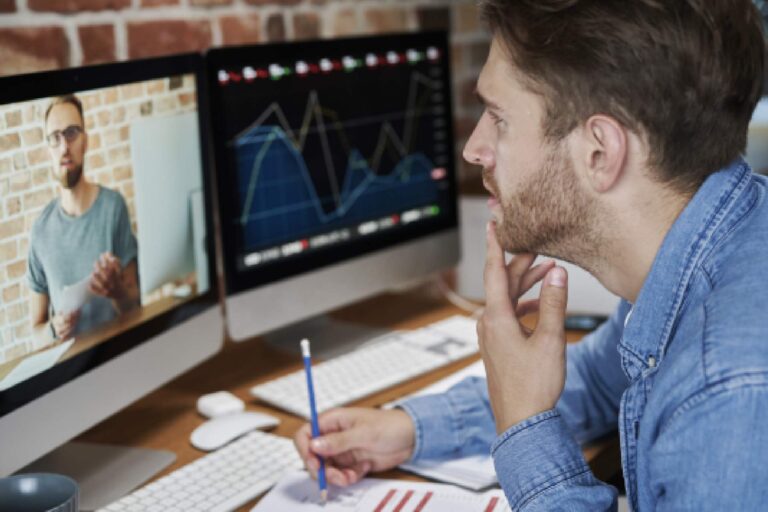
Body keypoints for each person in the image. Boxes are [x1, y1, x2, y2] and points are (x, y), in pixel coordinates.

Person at [295, 1, 768, 509]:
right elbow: (598, 381)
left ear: (600, 152)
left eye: (498, 119)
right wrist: (410, 428)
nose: (473, 149)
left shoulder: (729, 395)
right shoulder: (717, 240)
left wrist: (525, 423)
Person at [27, 94, 140, 344]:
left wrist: (118, 292)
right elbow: (35, 333)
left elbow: (135, 306)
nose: (64, 147)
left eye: (71, 133)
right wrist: (53, 329)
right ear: (47, 150)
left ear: (85, 141)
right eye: (55, 137)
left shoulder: (113, 207)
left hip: (117, 353)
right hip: (71, 363)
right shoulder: (40, 231)